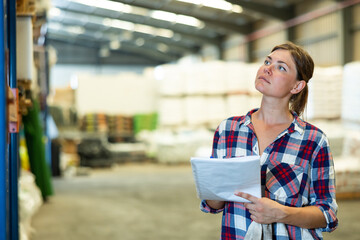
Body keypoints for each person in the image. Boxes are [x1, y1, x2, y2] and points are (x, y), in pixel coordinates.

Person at [200, 42, 338, 239]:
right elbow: (214, 204)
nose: (268, 68)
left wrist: (281, 213)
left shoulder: (313, 140)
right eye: (267, 61)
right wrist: (210, 187)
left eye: (281, 67)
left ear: (297, 86)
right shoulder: (228, 130)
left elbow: (328, 214)